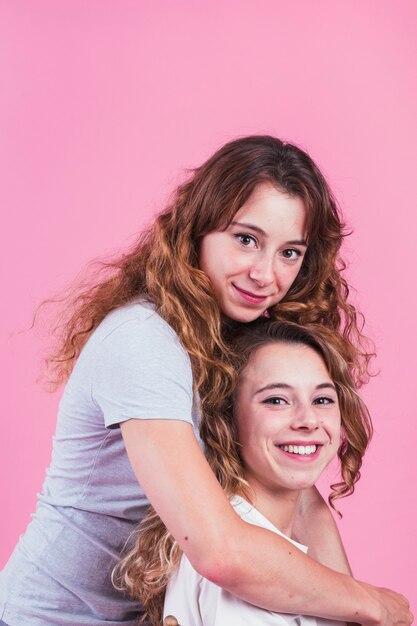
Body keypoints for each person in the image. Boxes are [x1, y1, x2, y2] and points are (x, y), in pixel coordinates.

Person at [0, 136, 411, 626]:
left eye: (290, 252)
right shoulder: (143, 341)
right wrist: (373, 603)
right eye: (246, 239)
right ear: (197, 229)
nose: (265, 274)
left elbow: (302, 501)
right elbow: (220, 552)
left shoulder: (243, 338)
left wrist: (361, 616)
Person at [114, 319, 372, 626]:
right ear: (227, 419)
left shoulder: (272, 546)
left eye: (322, 399)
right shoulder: (249, 573)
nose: (308, 420)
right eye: (276, 400)